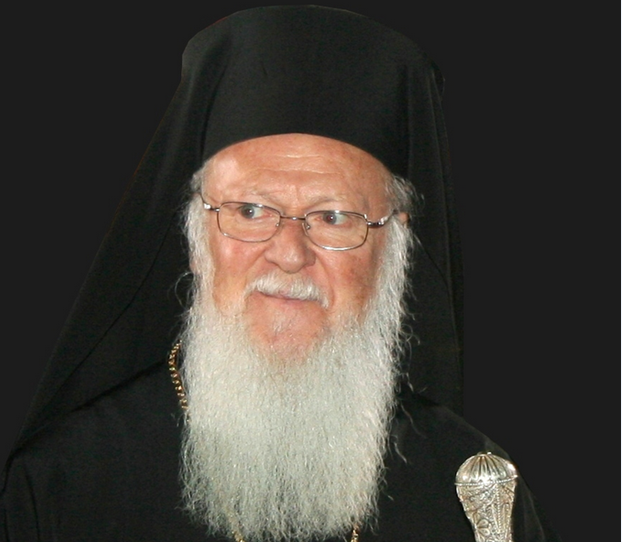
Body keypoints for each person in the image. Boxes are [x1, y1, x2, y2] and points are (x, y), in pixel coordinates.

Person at [0, 6, 561, 541]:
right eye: (250, 211)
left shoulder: (472, 486)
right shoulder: (64, 484)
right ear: (196, 237)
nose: (289, 254)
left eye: (334, 217)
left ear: (394, 247)